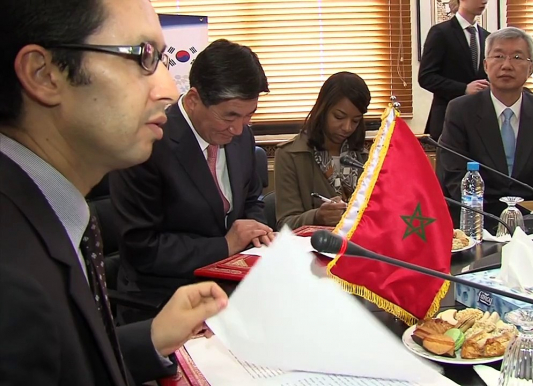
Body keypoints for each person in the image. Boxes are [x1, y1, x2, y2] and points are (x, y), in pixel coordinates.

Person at [0, 0, 228, 384]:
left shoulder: (40, 212)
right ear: (44, 74)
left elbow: (64, 358)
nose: (169, 90)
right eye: (143, 57)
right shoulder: (13, 282)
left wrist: (153, 337)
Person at [109, 39, 274, 323]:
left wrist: (254, 232)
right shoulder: (147, 143)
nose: (238, 129)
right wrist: (226, 246)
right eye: (230, 116)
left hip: (233, 287)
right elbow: (143, 248)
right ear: (194, 99)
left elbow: (251, 198)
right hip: (162, 299)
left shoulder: (242, 135)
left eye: (249, 115)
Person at [437, 27, 533, 217]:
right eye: (498, 56)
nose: (506, 65)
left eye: (516, 57)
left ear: (530, 68)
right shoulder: (461, 110)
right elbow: (454, 174)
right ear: (486, 65)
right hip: (476, 216)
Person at [274, 72, 371, 229]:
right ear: (322, 110)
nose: (347, 127)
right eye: (339, 117)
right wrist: (317, 216)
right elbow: (284, 224)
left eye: (355, 121)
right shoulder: (290, 155)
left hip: (360, 245)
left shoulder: (366, 159)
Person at [418, 0, 490, 141]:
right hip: (448, 118)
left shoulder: (487, 37)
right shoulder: (441, 32)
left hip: (480, 121)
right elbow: (426, 77)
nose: (484, 1)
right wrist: (463, 88)